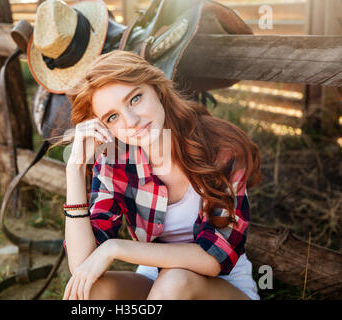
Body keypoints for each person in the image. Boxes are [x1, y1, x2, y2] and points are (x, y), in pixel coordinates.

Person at [60, 50, 262, 300]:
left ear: (156, 88)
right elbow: (81, 265)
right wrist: (75, 168)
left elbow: (213, 259)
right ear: (103, 128)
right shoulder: (114, 163)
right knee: (89, 291)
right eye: (113, 117)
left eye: (135, 99)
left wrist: (115, 247)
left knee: (175, 280)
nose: (131, 121)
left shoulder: (220, 148)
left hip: (222, 287)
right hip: (156, 282)